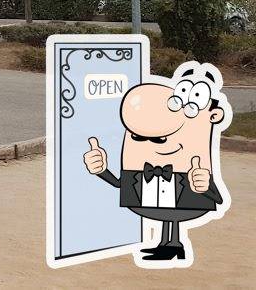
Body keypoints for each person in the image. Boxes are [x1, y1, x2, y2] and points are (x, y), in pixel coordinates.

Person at [82, 61, 230, 265]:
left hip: (183, 192)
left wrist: (205, 186)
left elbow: (218, 198)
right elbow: (119, 184)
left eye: (159, 139)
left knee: (174, 213)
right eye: (138, 137)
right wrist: (100, 170)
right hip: (153, 196)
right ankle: (167, 244)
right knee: (168, 214)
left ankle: (174, 244)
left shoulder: (194, 167)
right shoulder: (138, 171)